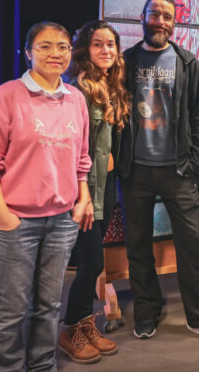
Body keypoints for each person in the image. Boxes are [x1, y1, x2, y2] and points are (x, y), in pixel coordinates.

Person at [0, 22, 92, 371]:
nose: (56, 53)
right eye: (45, 46)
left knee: (49, 306)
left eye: (63, 46)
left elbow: (81, 159)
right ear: (28, 53)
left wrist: (82, 200)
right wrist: (2, 215)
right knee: (10, 311)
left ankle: (42, 366)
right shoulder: (7, 95)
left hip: (61, 220)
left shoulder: (76, 99)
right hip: (17, 221)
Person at [116, 0, 199, 345]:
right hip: (135, 171)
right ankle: (147, 312)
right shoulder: (125, 61)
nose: (161, 22)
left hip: (178, 171)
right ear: (142, 17)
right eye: (155, 14)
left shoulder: (187, 62)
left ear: (174, 22)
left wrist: (194, 163)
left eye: (167, 16)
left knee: (192, 245)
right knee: (138, 246)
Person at [59, 20, 130, 363]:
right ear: (86, 49)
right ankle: (71, 328)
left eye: (111, 45)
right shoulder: (79, 90)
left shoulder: (109, 85)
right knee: (90, 264)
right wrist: (82, 194)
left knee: (92, 263)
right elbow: (75, 148)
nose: (105, 50)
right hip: (86, 189)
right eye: (98, 44)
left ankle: (86, 325)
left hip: (106, 186)